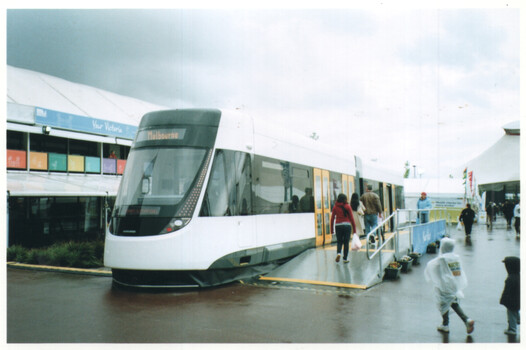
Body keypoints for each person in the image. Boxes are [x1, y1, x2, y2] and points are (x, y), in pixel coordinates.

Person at [424, 237, 475, 334]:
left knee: (443, 304)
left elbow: (432, 266)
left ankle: (445, 324)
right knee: (452, 302)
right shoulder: (456, 258)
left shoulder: (442, 259)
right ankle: (466, 320)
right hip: (454, 285)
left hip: (444, 285)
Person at [330, 193, 356, 264]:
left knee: (339, 241)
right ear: (345, 199)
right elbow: (351, 218)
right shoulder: (348, 206)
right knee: (346, 242)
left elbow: (332, 219)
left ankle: (339, 253)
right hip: (347, 225)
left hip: (338, 225)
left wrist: (331, 230)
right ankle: (345, 258)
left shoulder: (335, 207)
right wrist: (354, 230)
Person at [500, 256, 520, 336]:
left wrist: (504, 300)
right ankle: (518, 319)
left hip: (511, 301)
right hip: (517, 301)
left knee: (511, 313)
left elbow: (508, 291)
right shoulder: (518, 276)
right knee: (515, 311)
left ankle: (512, 329)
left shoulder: (511, 278)